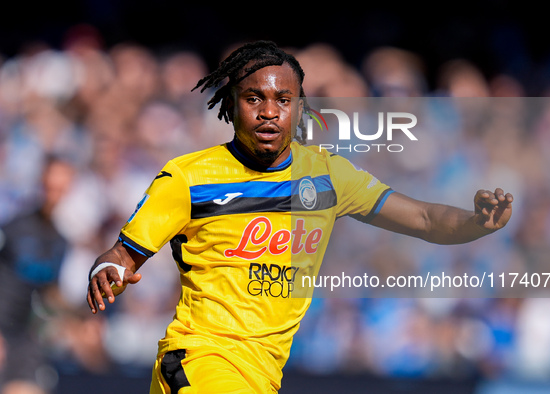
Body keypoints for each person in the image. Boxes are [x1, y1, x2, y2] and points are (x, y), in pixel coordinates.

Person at [87, 40, 513, 393]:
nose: (269, 111)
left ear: (300, 107)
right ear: (231, 105)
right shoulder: (188, 177)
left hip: (263, 375)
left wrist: (477, 223)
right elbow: (122, 254)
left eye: (282, 100)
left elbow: (423, 219)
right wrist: (109, 268)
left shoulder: (328, 177)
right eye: (254, 98)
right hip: (200, 359)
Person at [0, 155, 76, 394]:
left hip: (25, 335)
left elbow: (50, 292)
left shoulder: (60, 241)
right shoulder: (13, 226)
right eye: (51, 184)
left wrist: (83, 316)